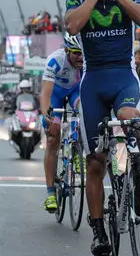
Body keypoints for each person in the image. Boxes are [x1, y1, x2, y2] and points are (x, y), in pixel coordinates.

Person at [65, 0, 140, 255]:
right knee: (95, 162)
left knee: (132, 121)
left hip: (123, 76)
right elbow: (74, 26)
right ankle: (99, 229)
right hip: (93, 82)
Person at [40, 32, 83, 213]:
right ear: (67, 51)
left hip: (75, 91)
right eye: (76, 53)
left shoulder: (87, 61)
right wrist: (47, 116)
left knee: (84, 111)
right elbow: (45, 94)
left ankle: (76, 150)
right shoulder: (55, 61)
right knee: (52, 138)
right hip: (55, 94)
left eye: (82, 53)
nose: (80, 58)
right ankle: (51, 193)